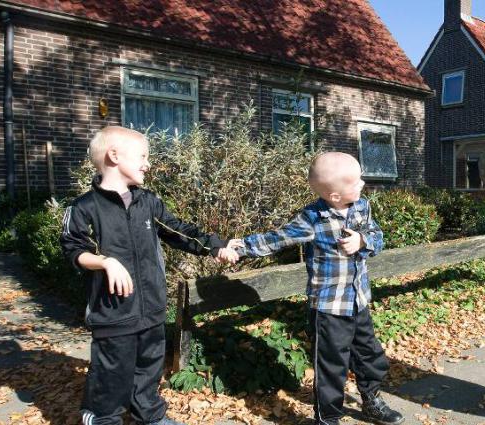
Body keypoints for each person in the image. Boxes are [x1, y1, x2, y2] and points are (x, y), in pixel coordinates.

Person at [60, 126, 240, 425]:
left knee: (149, 367)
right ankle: (102, 418)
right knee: (112, 372)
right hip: (113, 313)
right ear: (114, 156)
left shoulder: (148, 202)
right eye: (143, 156)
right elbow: (74, 248)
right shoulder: (84, 208)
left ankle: (150, 416)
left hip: (151, 308)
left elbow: (179, 231)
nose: (148, 163)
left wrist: (216, 246)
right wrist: (106, 262)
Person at [229, 152, 403, 425]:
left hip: (357, 301)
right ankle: (328, 418)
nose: (363, 183)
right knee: (331, 366)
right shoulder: (313, 218)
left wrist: (363, 241)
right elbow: (277, 238)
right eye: (356, 180)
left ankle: (371, 400)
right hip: (329, 308)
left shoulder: (361, 207)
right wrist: (239, 247)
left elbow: (377, 236)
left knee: (370, 356)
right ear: (334, 195)